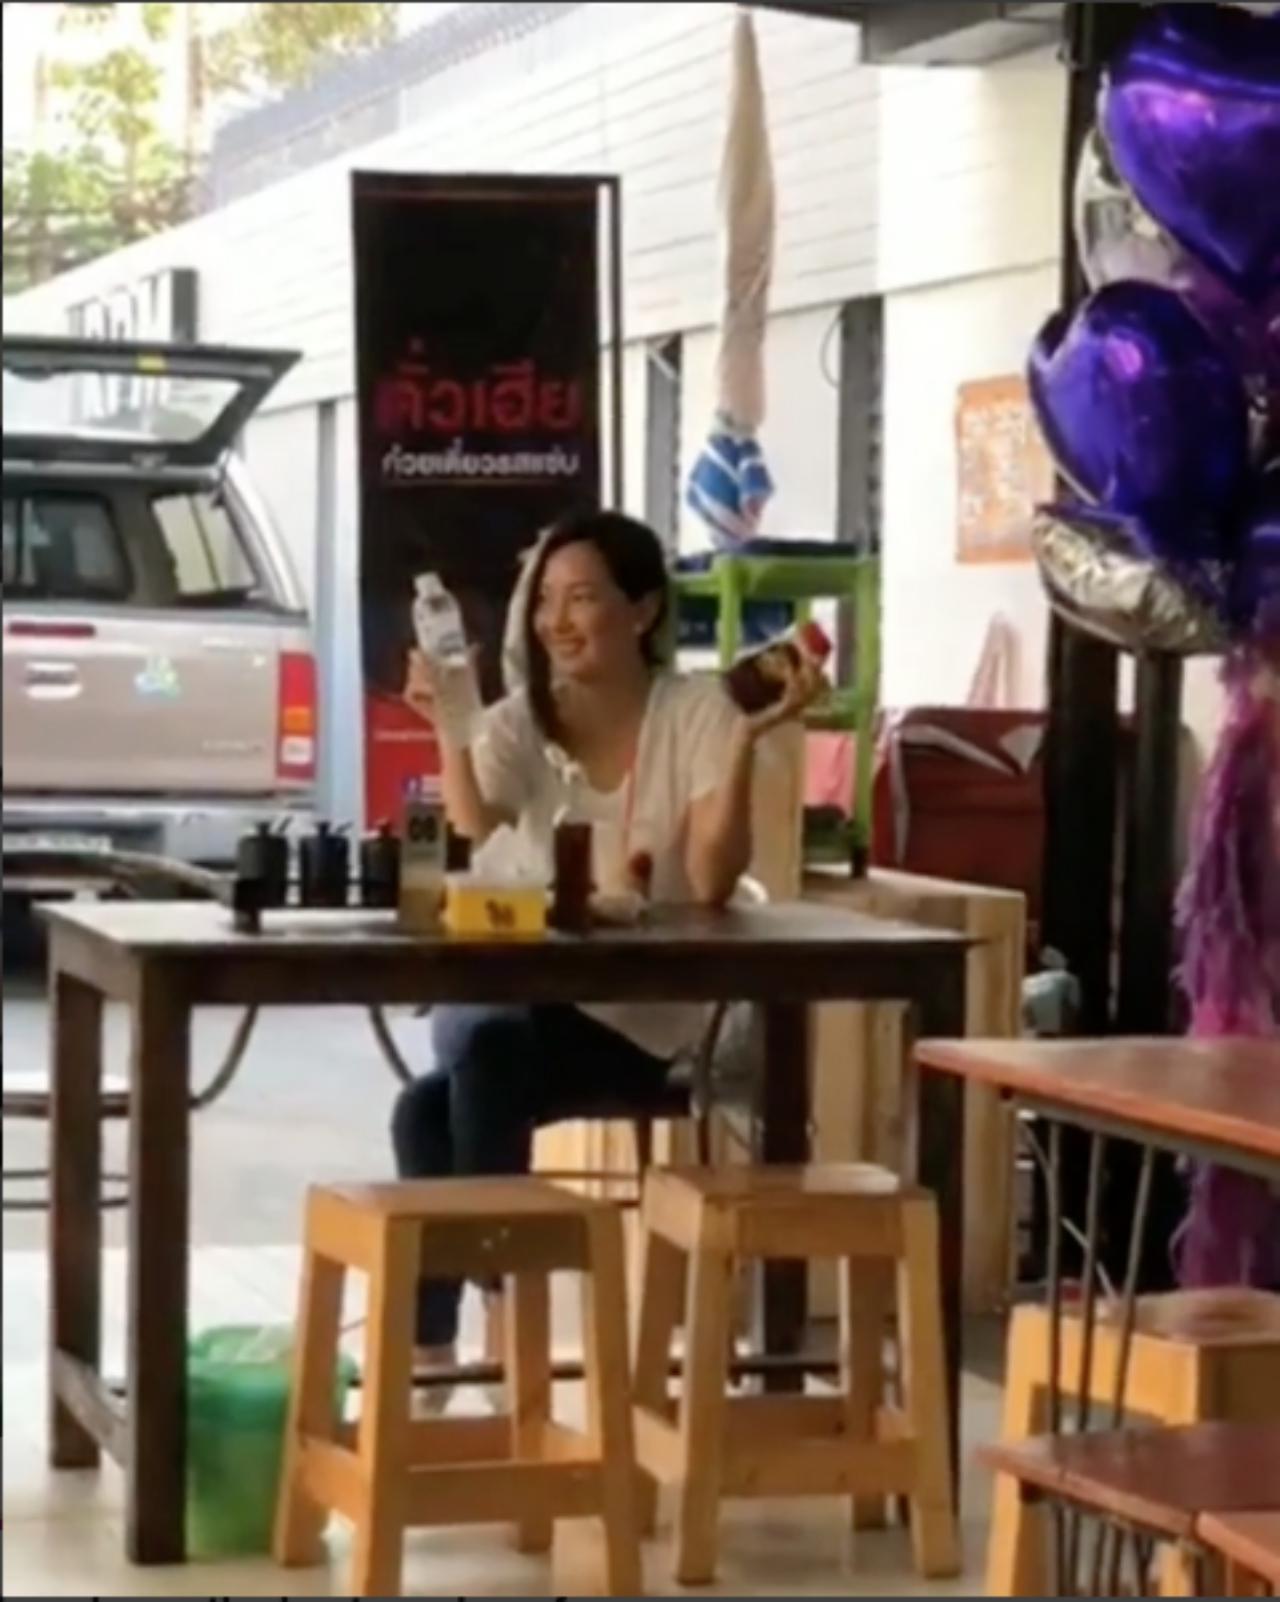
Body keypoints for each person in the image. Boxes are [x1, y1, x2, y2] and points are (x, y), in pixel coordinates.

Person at [391, 509, 822, 1394]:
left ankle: (488, 1334)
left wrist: (747, 741)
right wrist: (447, 722)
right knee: (457, 1077)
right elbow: (472, 821)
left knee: (446, 1095)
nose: (558, 620)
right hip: (523, 1000)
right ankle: (460, 1340)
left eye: (583, 598)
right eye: (546, 600)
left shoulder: (697, 711)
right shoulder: (520, 722)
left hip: (643, 1017)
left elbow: (712, 881)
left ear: (644, 610)